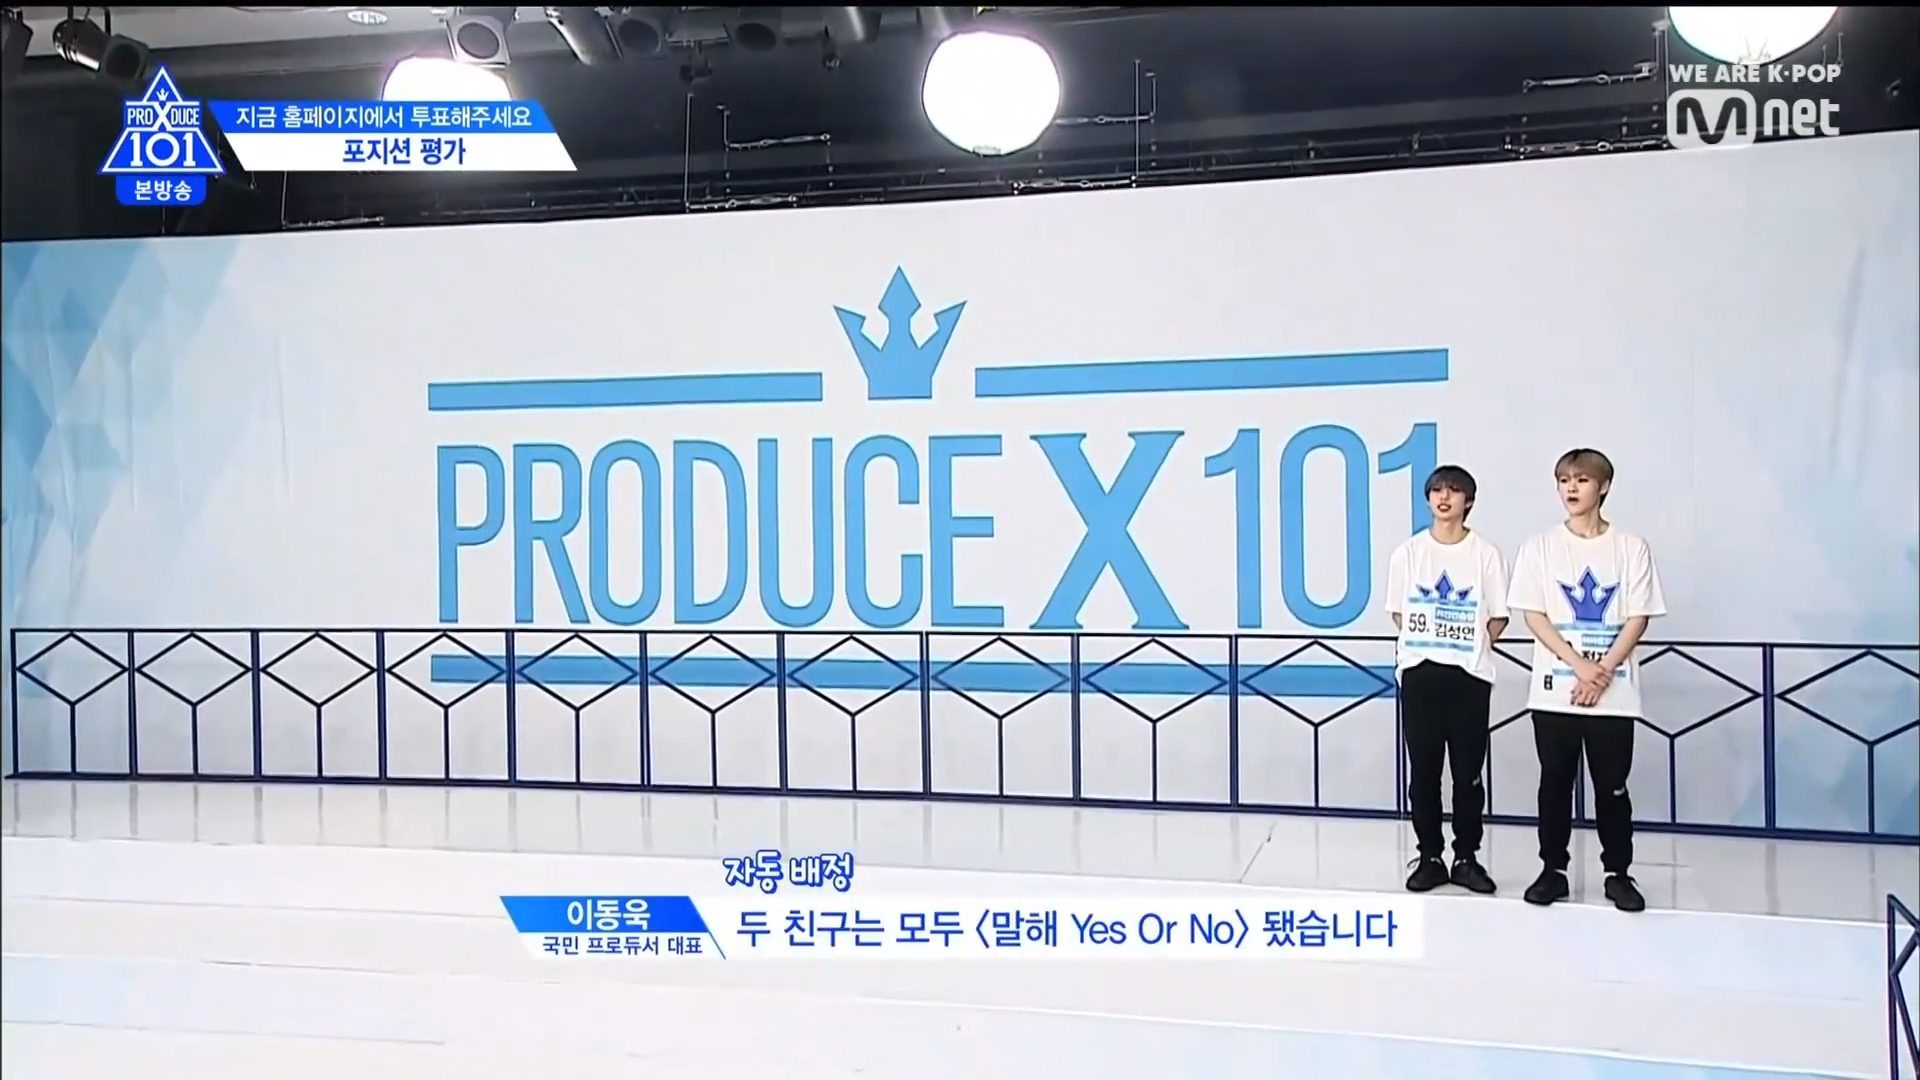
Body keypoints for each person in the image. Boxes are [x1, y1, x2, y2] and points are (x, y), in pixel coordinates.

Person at [1507, 448, 1667, 913]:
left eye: (1581, 480)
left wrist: (1602, 673)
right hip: (1555, 690)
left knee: (1612, 786)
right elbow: (1533, 615)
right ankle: (1552, 870)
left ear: (1604, 486)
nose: (1571, 489)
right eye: (1564, 480)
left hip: (1614, 692)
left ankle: (1618, 873)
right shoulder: (1539, 546)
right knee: (1554, 782)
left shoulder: (1630, 547)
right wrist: (1578, 666)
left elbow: (1638, 617)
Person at [1386, 465, 1509, 894]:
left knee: (1468, 773)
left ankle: (1467, 857)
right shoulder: (1408, 553)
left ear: (1467, 501)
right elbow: (1399, 613)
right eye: (1436, 490)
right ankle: (1430, 855)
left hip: (1469, 676)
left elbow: (1498, 618)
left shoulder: (1486, 554)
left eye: (1453, 491)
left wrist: (1465, 645)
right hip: (1420, 674)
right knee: (1424, 772)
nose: (1443, 498)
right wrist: (1432, 643)